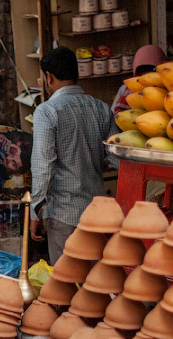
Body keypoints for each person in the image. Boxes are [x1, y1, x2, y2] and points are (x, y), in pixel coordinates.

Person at [29, 46, 117, 264]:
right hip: (96, 213)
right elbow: (116, 158)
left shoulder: (47, 111)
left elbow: (43, 167)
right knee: (95, 285)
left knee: (66, 285)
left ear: (49, 77)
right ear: (76, 74)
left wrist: (35, 212)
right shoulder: (102, 108)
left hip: (64, 214)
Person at [111, 45, 169, 115]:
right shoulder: (125, 89)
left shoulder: (170, 90)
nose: (147, 76)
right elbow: (113, 115)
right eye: (143, 71)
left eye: (152, 70)